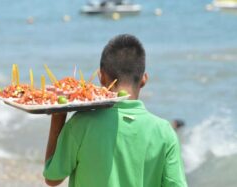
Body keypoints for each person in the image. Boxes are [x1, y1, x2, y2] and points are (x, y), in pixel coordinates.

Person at [43, 34, 187, 187]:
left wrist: (58, 114)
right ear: (144, 79)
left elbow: (52, 178)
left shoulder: (81, 124)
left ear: (101, 77)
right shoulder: (165, 132)